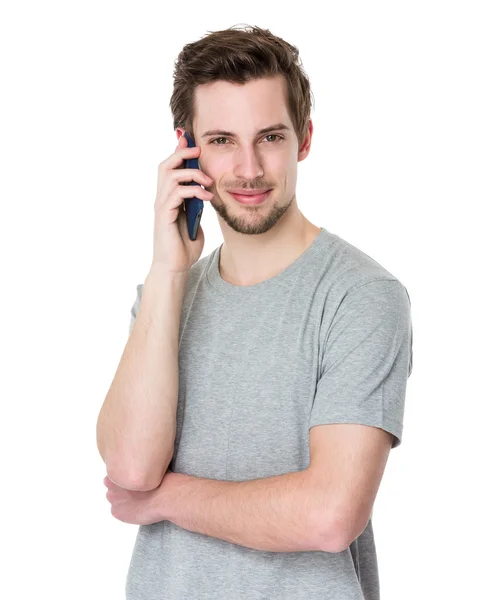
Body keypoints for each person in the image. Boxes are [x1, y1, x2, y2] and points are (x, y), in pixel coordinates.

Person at [110, 24, 413, 600]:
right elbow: (130, 468)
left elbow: (330, 514)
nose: (248, 169)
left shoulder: (361, 296)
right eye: (222, 140)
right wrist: (167, 272)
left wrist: (167, 499)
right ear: (187, 148)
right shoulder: (164, 294)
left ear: (303, 138)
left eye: (269, 137)